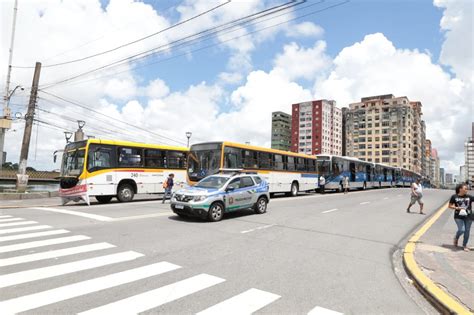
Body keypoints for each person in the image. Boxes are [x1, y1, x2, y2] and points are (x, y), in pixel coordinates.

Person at [448, 183, 473, 251]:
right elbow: (450, 206)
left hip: (468, 216)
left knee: (467, 231)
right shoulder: (454, 196)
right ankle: (456, 237)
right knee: (462, 230)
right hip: (458, 216)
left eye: (467, 189)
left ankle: (464, 245)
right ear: (460, 189)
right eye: (465, 188)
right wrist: (457, 207)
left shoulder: (469, 197)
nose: (466, 190)